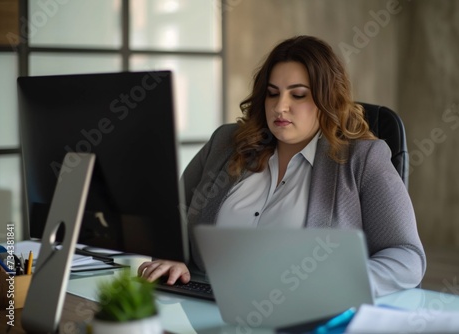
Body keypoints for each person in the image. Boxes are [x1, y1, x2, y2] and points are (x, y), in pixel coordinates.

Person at [138, 35, 426, 297]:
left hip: (301, 318)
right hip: (205, 305)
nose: (280, 107)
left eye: (298, 95)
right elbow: (170, 217)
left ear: (328, 99)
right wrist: (169, 255)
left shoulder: (363, 159)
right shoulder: (226, 143)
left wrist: (337, 283)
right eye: (273, 93)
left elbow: (407, 256)